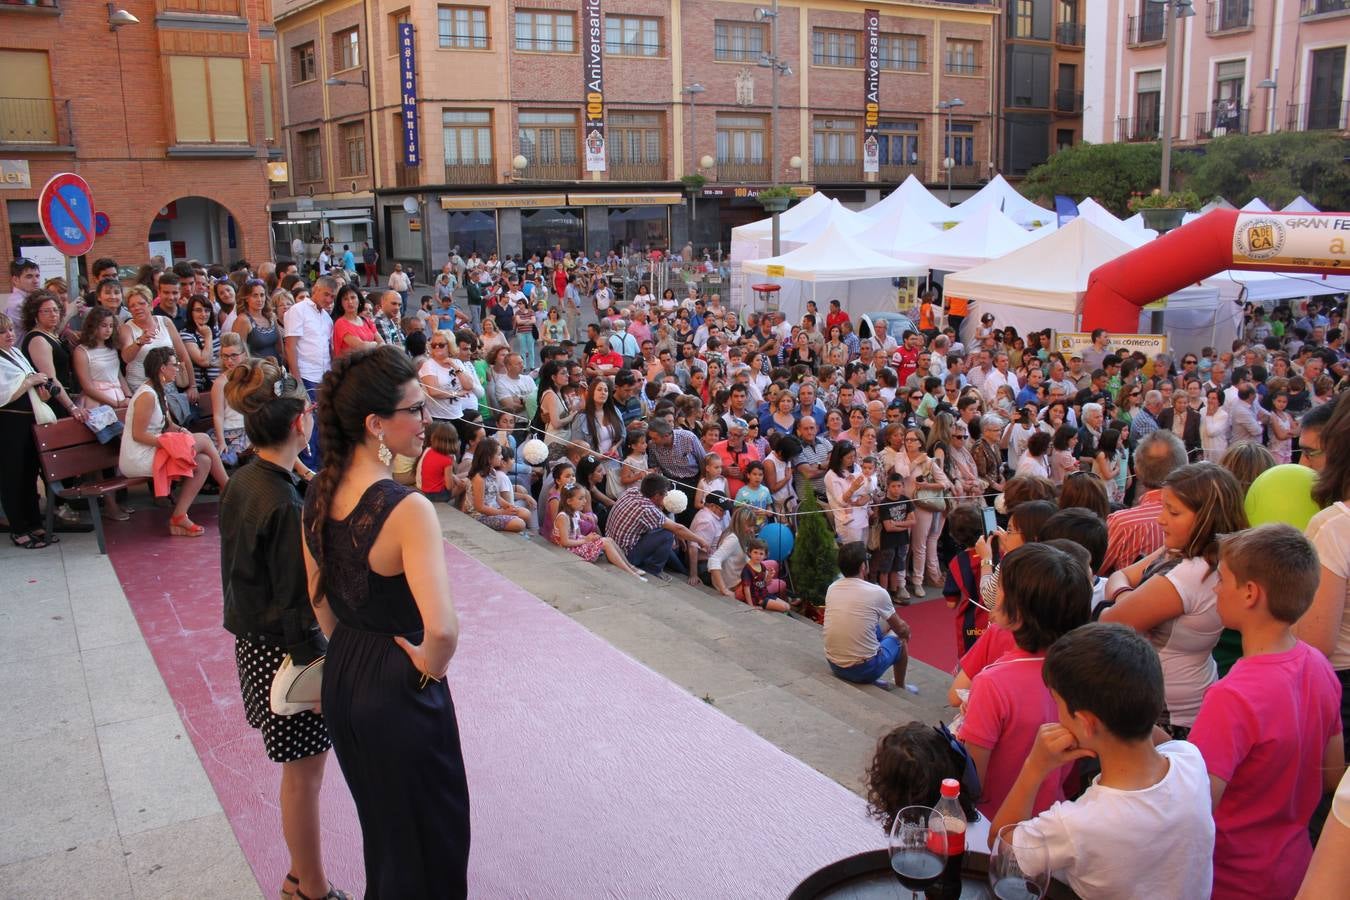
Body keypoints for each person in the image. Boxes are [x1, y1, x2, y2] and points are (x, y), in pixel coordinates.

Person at [300, 345, 470, 896]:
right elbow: (442, 629)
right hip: (400, 683)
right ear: (376, 423)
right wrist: (427, 669)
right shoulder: (407, 508)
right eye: (415, 410)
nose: (425, 421)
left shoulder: (316, 492)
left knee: (387, 835)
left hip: (347, 671)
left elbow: (319, 602)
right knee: (433, 843)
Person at [216, 358, 352, 900]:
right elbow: (297, 603)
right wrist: (320, 675)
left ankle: (302, 877)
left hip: (256, 645)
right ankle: (309, 886)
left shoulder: (248, 480)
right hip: (290, 656)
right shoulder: (284, 504)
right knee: (304, 778)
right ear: (299, 424)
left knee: (299, 774)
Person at [990, 623, 1215, 899]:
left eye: (1058, 704)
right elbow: (1163, 741)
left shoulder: (1075, 824)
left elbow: (1001, 847)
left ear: (1086, 723)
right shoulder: (1191, 760)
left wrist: (1034, 767)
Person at [1189, 524, 1344, 900]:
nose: (1215, 588)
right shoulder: (1319, 666)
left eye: (1222, 579)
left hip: (1229, 878)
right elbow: (1333, 774)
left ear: (1249, 593)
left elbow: (1194, 808)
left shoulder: (1232, 697)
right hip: (1294, 869)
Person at [1100, 462, 1248, 737]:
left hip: (1170, 710)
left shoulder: (1191, 573)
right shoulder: (1185, 553)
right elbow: (1120, 576)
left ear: (1206, 517)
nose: (1161, 520)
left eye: (1174, 512)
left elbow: (1110, 621)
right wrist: (1126, 595)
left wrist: (1122, 597)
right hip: (1189, 690)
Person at [958, 543, 1091, 818]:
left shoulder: (992, 683)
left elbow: (973, 782)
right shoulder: (1084, 672)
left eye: (1002, 586)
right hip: (1054, 812)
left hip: (998, 819)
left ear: (1018, 613)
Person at [120, 347, 227, 536]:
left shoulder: (158, 390)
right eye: (174, 364)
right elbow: (138, 435)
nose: (178, 368)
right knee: (202, 438)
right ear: (162, 368)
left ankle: (179, 516)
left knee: (204, 461)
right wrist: (172, 444)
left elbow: (167, 424)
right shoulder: (146, 395)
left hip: (155, 448)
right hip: (139, 455)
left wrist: (180, 431)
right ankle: (229, 488)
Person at [1301, 392, 1350, 747]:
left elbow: (1315, 642)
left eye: (1311, 452)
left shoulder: (1334, 526)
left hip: (1340, 685)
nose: (1303, 463)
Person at [823, 542, 912, 689]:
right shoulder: (877, 592)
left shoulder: (832, 588)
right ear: (863, 566)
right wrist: (907, 633)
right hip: (863, 670)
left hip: (834, 664)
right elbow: (901, 629)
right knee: (900, 640)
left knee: (876, 625)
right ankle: (901, 687)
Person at [1099, 431, 1187, 574]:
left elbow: (1097, 571)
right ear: (1184, 467)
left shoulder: (1121, 523)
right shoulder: (1203, 517)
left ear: (1137, 471)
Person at [606, 473, 707, 579]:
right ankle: (653, 570)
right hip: (625, 555)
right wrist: (701, 541)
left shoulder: (632, 491)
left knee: (666, 529)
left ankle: (682, 570)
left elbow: (668, 523)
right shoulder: (648, 509)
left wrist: (677, 531)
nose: (666, 495)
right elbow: (678, 529)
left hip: (613, 544)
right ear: (657, 495)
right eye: (665, 493)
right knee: (668, 533)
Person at [284, 276, 336, 467]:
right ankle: (308, 471)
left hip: (323, 377)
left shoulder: (327, 318)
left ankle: (320, 471)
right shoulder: (297, 311)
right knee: (307, 427)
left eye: (332, 296)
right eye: (326, 294)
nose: (329, 299)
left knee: (322, 427)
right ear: (315, 290)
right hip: (305, 375)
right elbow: (290, 346)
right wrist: (297, 381)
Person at [552, 484, 648, 581]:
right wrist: (586, 540)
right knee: (605, 543)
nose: (585, 501)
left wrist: (586, 529)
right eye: (581, 498)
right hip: (569, 550)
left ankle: (630, 566)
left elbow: (577, 534)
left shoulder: (575, 512)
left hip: (576, 544)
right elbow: (565, 542)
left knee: (609, 540)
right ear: (569, 501)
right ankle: (631, 573)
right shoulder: (563, 517)